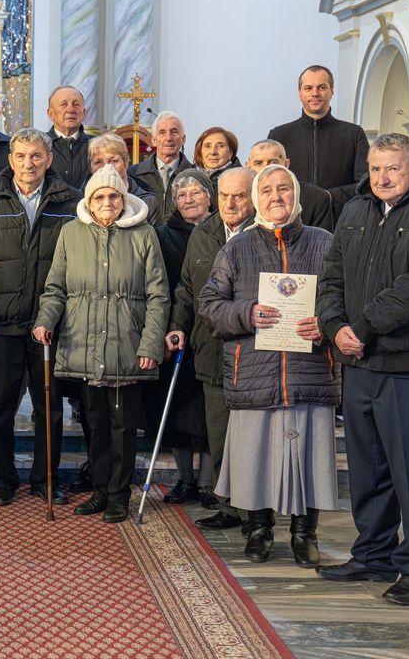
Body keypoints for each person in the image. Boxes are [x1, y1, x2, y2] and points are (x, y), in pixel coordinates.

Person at [316, 133, 409, 606]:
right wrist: (334, 324)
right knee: (368, 471)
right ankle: (373, 554)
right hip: (360, 363)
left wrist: (361, 328)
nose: (382, 177)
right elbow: (332, 277)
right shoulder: (356, 209)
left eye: (393, 169)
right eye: (376, 167)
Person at [198, 164, 339, 567]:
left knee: (307, 458)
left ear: (296, 194)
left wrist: (325, 324)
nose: (276, 196)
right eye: (267, 191)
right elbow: (209, 306)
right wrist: (247, 313)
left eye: (283, 189)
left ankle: (303, 533)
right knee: (253, 457)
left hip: (309, 371)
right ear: (256, 199)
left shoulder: (324, 243)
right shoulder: (237, 248)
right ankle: (258, 529)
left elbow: (343, 298)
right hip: (254, 371)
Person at [32, 166, 168, 523]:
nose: (107, 202)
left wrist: (150, 345)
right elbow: (56, 288)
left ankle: (119, 495)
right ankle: (100, 490)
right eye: (99, 197)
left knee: (123, 426)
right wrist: (46, 320)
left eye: (113, 196)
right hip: (85, 345)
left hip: (127, 345)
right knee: (95, 423)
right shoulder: (71, 233)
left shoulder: (144, 234)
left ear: (124, 199)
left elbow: (158, 296)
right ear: (89, 201)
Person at [0, 128, 80, 506]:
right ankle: (2, 479)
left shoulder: (71, 202)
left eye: (37, 156)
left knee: (49, 408)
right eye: (22, 156)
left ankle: (45, 479)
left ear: (49, 159)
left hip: (50, 325)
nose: (29, 163)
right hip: (1, 323)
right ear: (9, 160)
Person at [166, 167, 256, 531]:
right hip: (211, 348)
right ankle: (228, 506)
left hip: (255, 355)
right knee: (218, 433)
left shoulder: (264, 233)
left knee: (252, 438)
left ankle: (256, 513)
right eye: (224, 196)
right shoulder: (203, 234)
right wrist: (176, 326)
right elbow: (187, 289)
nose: (231, 203)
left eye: (239, 196)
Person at [154, 170, 215, 506]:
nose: (189, 199)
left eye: (195, 192)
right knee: (177, 409)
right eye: (182, 195)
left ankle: (207, 483)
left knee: (207, 412)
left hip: (212, 331)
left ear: (209, 195)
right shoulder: (164, 235)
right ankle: (184, 479)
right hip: (175, 331)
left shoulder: (221, 231)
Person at [268, 65, 369, 217]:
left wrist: (326, 196)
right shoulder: (279, 135)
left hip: (341, 220)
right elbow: (268, 181)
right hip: (292, 222)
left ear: (332, 91)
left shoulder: (354, 134)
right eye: (308, 88)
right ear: (299, 93)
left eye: (322, 87)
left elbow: (365, 182)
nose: (315, 93)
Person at [245, 139, 334, 231]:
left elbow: (321, 241)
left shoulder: (316, 198)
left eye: (273, 162)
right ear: (248, 167)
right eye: (258, 163)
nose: (266, 168)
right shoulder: (239, 197)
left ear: (286, 164)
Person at [128, 111, 196, 223]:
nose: (168, 138)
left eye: (174, 132)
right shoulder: (133, 174)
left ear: (183, 139)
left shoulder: (194, 175)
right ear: (153, 140)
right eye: (162, 133)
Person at [83, 133, 160, 226]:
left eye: (114, 160)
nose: (106, 167)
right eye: (98, 162)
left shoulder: (148, 203)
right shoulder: (81, 200)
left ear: (126, 163)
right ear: (90, 168)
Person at [44, 86, 91, 188]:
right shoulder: (40, 145)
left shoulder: (98, 145)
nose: (70, 110)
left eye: (76, 104)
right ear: (50, 114)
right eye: (63, 104)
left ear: (83, 113)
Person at [193, 126, 242, 192]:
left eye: (220, 146)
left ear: (231, 152)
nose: (213, 152)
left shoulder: (243, 179)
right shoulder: (188, 177)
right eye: (207, 146)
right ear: (200, 151)